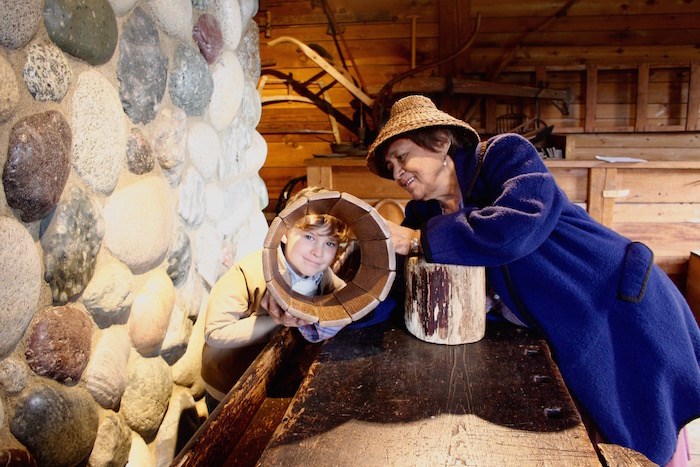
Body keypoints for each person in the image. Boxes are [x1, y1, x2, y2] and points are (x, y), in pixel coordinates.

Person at [365, 94, 700, 466]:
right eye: (390, 166)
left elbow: (515, 228)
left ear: (440, 142)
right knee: (602, 427)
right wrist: (330, 312)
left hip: (613, 303)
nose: (396, 173)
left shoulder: (503, 157)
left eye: (402, 156)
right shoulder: (425, 212)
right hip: (568, 322)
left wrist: (415, 240)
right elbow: (402, 288)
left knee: (648, 429)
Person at [201, 186, 352, 408]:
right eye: (309, 237)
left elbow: (344, 294)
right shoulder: (248, 273)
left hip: (277, 376)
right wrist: (276, 319)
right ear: (283, 232)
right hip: (229, 386)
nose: (318, 252)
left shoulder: (320, 272)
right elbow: (215, 332)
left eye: (329, 243)